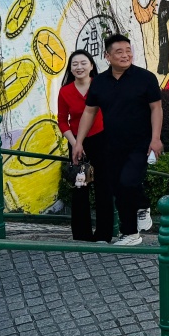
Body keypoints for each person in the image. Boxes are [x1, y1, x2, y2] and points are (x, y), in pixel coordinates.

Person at [71, 35, 163, 247]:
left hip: (141, 142)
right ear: (107, 56)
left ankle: (143, 206)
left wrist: (156, 138)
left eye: (128, 50)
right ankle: (129, 232)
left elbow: (156, 108)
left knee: (128, 181)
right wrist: (79, 142)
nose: (125, 55)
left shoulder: (145, 78)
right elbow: (89, 112)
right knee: (117, 188)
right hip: (111, 144)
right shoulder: (100, 82)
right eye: (119, 52)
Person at [57, 50, 110, 243]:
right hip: (76, 143)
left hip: (101, 140)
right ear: (70, 69)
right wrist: (75, 144)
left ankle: (104, 235)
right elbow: (62, 121)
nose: (79, 67)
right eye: (74, 64)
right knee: (80, 188)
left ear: (91, 66)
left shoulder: (101, 85)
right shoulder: (65, 91)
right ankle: (81, 235)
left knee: (103, 187)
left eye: (83, 63)